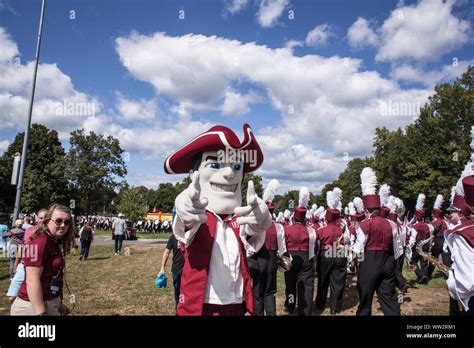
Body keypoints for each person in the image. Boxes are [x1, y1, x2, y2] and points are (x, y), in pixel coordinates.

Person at [165, 123, 271, 316]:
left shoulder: (238, 219)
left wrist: (260, 219)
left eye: (237, 166)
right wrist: (183, 204)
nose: (230, 173)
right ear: (194, 174)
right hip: (202, 305)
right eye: (214, 164)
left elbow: (253, 234)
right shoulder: (201, 219)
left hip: (236, 303)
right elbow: (186, 226)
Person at [10, 204, 75, 316]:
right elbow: (32, 280)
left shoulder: (52, 240)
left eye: (67, 222)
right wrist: (41, 313)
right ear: (47, 220)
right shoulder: (40, 240)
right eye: (58, 221)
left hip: (47, 302)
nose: (63, 225)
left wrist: (58, 304)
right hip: (33, 307)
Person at [353, 167, 400, 316]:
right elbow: (398, 249)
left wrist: (350, 257)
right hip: (388, 262)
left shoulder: (364, 224)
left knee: (365, 300)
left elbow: (358, 248)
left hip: (369, 263)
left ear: (367, 210)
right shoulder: (391, 224)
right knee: (388, 298)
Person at [248, 179, 286, 316]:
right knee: (270, 291)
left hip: (258, 259)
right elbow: (282, 249)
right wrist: (282, 267)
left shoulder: (255, 225)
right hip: (271, 260)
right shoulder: (279, 227)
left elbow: (248, 244)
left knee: (258, 291)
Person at [283, 187, 316, 316]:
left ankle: (291, 306)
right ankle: (305, 310)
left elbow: (283, 245)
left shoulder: (286, 229)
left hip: (290, 258)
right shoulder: (311, 230)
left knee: (290, 285)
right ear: (304, 219)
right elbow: (315, 248)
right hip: (306, 258)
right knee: (306, 287)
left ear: (294, 217)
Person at [315, 188, 347, 315]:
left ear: (327, 218)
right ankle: (335, 307)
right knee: (338, 282)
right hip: (339, 253)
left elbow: (317, 245)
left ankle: (320, 303)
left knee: (323, 280)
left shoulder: (321, 230)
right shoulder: (342, 229)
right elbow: (348, 240)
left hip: (325, 254)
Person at [6, 209, 47, 303]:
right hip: (24, 265)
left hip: (42, 267)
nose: (43, 220)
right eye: (41, 218)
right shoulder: (29, 230)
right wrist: (16, 264)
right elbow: (22, 247)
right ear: (36, 219)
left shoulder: (50, 233)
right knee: (12, 295)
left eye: (45, 218)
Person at [157, 234, 184, 309]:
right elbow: (167, 252)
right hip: (177, 269)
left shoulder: (192, 234)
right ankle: (179, 309)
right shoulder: (174, 236)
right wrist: (162, 268)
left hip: (189, 271)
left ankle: (185, 308)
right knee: (178, 291)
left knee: (187, 292)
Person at [409, 194, 431, 284]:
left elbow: (413, 238)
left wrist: (410, 248)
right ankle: (425, 276)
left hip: (418, 244)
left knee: (413, 261)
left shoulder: (415, 226)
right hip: (425, 243)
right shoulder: (428, 225)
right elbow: (429, 236)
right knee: (424, 261)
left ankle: (420, 275)